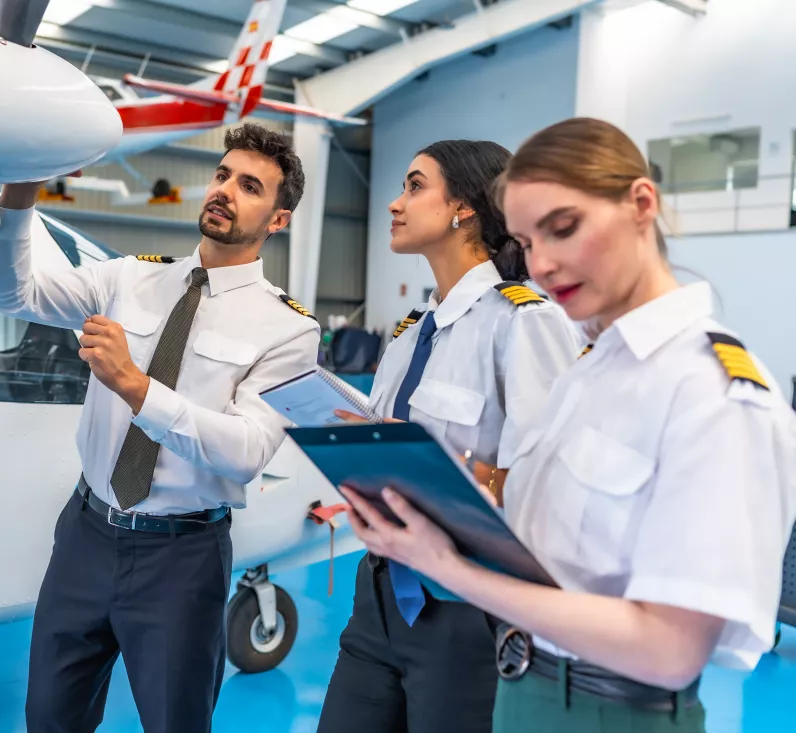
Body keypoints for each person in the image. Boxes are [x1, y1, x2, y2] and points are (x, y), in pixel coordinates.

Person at [340, 117, 796, 733]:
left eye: (563, 227)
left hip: (611, 709)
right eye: (528, 241)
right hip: (523, 687)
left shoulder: (715, 392)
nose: (545, 263)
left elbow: (670, 651)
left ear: (641, 204)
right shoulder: (592, 373)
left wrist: (452, 570)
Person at [0, 123, 321, 733]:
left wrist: (136, 386)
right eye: (221, 175)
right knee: (48, 717)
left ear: (278, 219)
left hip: (181, 558)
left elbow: (244, 451)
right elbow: (9, 290)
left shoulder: (288, 330)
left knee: (175, 721)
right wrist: (20, 200)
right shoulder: (126, 278)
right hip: (86, 534)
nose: (224, 191)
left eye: (249, 186)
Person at [317, 140, 581, 733]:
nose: (393, 203)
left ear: (462, 206)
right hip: (378, 590)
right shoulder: (413, 334)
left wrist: (438, 465)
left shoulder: (523, 322)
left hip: (465, 608)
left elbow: (551, 480)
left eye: (414, 186)